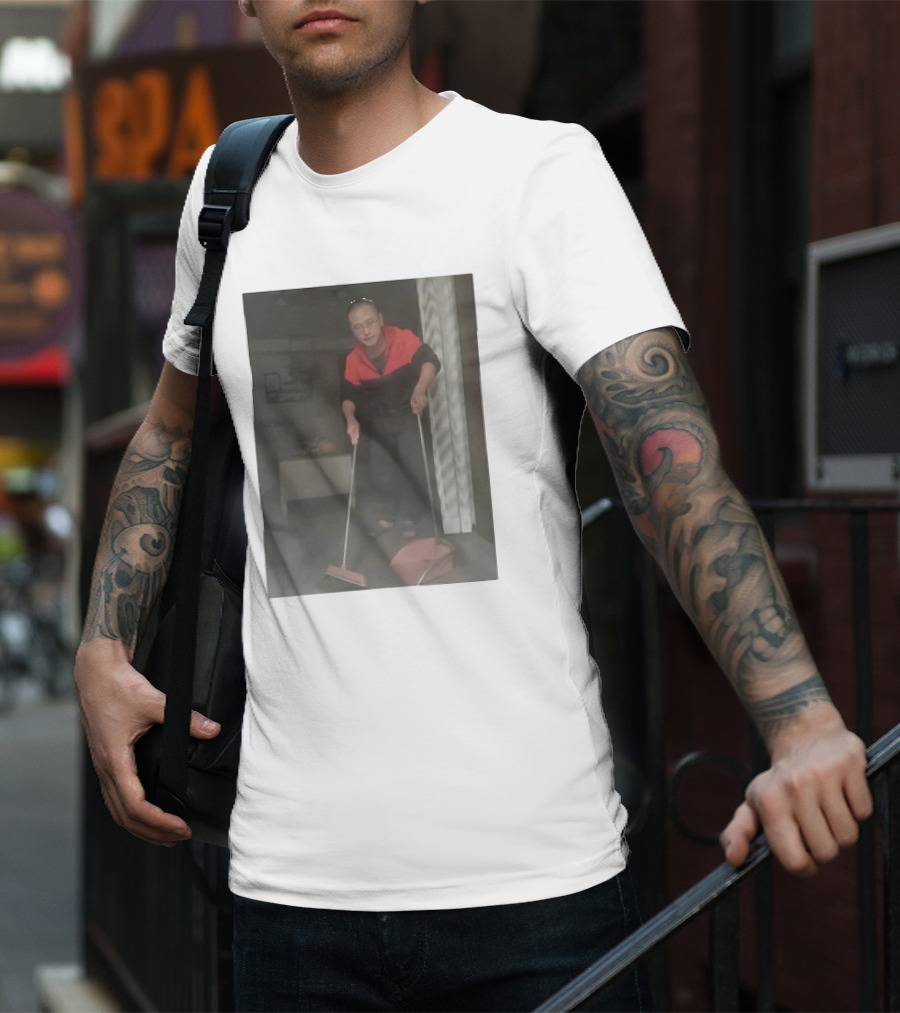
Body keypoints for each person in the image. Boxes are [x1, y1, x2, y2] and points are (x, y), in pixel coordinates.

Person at [75, 2, 872, 1010]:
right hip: (291, 889)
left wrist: (798, 719)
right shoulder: (222, 197)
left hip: (536, 886)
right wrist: (102, 646)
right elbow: (171, 428)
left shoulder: (537, 173)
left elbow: (667, 457)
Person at [340, 297, 440, 536]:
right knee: (382, 470)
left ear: (380, 320)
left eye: (370, 322)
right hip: (379, 420)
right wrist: (350, 419)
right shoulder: (353, 359)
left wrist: (420, 390)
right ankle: (389, 513)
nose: (366, 331)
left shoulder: (403, 338)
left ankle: (409, 517)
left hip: (407, 413)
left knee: (412, 464)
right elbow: (348, 395)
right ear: (352, 330)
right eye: (358, 327)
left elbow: (430, 361)